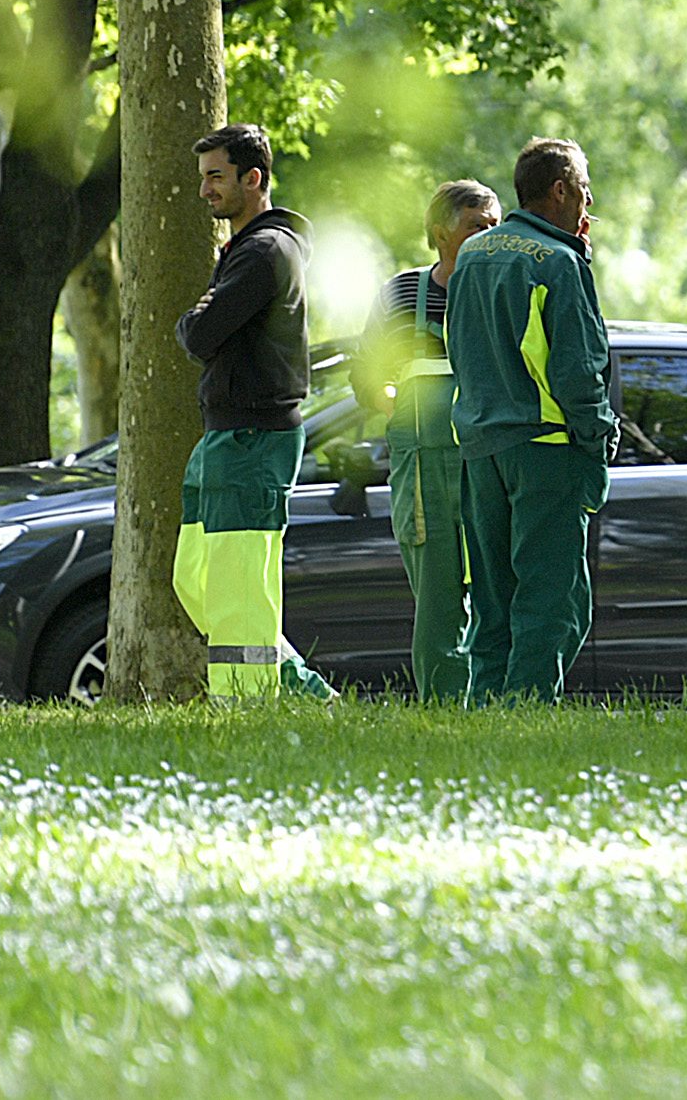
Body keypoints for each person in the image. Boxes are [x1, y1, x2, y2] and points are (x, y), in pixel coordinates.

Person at [450, 138, 616, 705]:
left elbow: (461, 349)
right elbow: (578, 369)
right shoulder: (560, 263)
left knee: (494, 599)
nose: (588, 203)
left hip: (479, 448)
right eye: (585, 190)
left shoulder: (472, 254)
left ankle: (486, 708)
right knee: (553, 600)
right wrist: (597, 442)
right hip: (546, 448)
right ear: (561, 189)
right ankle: (526, 713)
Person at [170, 122, 332, 701]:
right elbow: (202, 332)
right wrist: (197, 325)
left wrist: (194, 322)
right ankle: (300, 686)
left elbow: (199, 332)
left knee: (239, 585)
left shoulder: (265, 252)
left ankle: (246, 707)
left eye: (216, 177)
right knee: (194, 577)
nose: (205, 190)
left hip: (252, 437)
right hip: (225, 433)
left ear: (253, 178)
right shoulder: (246, 249)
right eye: (204, 177)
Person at [357, 179, 503, 703]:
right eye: (475, 228)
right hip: (424, 472)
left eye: (494, 227)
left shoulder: (504, 293)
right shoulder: (402, 294)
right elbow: (365, 376)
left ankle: (494, 704)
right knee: (439, 598)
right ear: (441, 233)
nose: (489, 238)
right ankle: (445, 709)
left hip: (492, 459)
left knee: (496, 588)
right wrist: (392, 395)